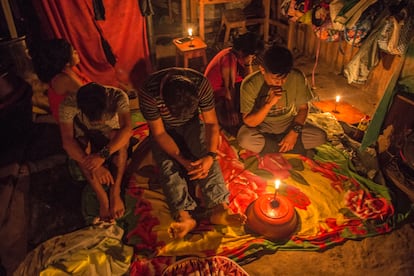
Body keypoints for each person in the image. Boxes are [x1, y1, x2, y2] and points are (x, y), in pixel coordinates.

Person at [139, 67, 246, 239]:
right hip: (163, 129)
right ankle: (185, 217)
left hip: (192, 124)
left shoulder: (200, 84)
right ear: (164, 102)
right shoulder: (148, 92)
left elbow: (211, 123)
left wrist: (210, 156)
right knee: (168, 166)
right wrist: (182, 160)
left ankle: (220, 208)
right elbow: (159, 133)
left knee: (203, 151)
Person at [59, 82, 132, 222]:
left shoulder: (117, 96)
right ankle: (102, 198)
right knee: (79, 144)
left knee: (118, 136)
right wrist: (95, 165)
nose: (98, 120)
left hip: (111, 141)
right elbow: (67, 141)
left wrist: (101, 156)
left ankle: (114, 193)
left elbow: (127, 130)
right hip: (88, 140)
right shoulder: (69, 104)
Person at [237, 45, 327, 155]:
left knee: (320, 136)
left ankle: (274, 147)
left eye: (284, 77)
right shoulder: (250, 84)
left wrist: (294, 133)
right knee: (244, 139)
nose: (280, 83)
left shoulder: (297, 77)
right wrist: (268, 104)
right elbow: (249, 122)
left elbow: (303, 108)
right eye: (275, 79)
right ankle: (288, 147)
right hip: (262, 127)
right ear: (262, 69)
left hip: (288, 124)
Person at [204, 32, 264, 135]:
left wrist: (247, 63)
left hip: (225, 93)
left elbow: (249, 79)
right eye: (252, 56)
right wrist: (231, 111)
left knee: (253, 92)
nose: (253, 58)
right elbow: (229, 88)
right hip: (216, 99)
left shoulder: (236, 55)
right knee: (236, 120)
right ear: (242, 51)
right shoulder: (229, 58)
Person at [30, 38, 90, 122]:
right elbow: (90, 97)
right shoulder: (62, 79)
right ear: (66, 61)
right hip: (71, 123)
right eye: (73, 52)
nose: (76, 52)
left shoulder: (70, 70)